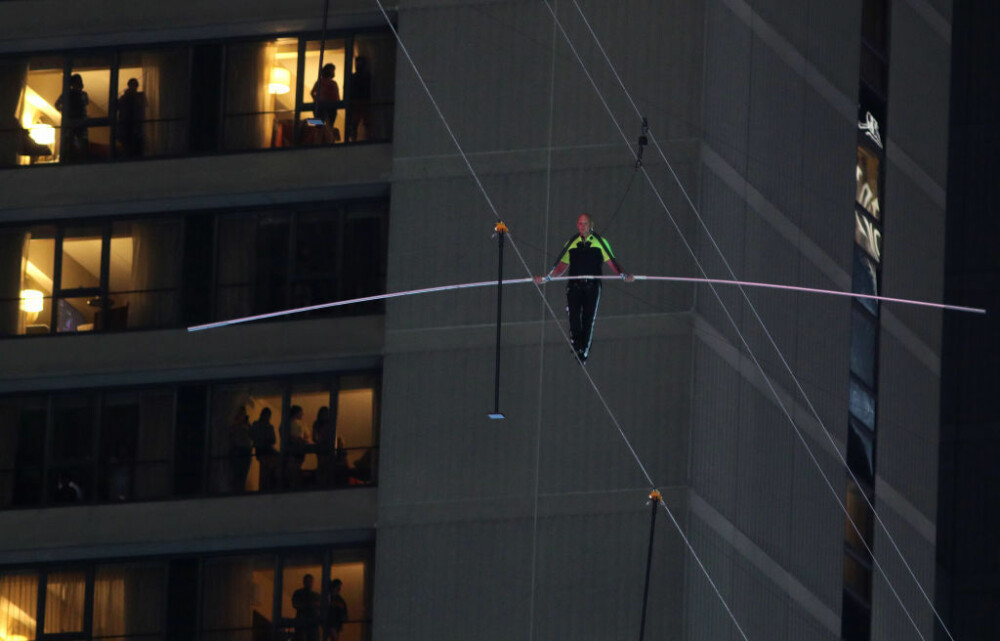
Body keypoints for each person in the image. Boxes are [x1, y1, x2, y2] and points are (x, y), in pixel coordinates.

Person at [534, 213, 633, 363]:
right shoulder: (571, 242)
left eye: (585, 223)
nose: (582, 226)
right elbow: (561, 267)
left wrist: (624, 275)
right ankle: (577, 344)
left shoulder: (601, 242)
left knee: (588, 319)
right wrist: (546, 278)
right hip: (574, 286)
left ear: (591, 225)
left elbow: (612, 262)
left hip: (592, 286)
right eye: (580, 223)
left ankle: (583, 351)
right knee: (573, 315)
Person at [54, 73, 89, 162]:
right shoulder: (67, 94)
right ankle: (69, 159)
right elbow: (57, 104)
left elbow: (85, 103)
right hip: (71, 122)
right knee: (69, 142)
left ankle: (81, 159)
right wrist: (64, 111)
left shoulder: (82, 94)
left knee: (81, 142)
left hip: (80, 122)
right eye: (76, 82)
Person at [250, 407, 278, 491]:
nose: (267, 417)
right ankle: (264, 488)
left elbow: (273, 440)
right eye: (267, 415)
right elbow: (252, 436)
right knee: (265, 471)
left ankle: (267, 486)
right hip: (262, 451)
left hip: (267, 451)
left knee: (268, 470)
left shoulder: (269, 427)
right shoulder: (257, 425)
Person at [116, 78, 146, 157]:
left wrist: (134, 96)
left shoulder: (140, 96)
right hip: (125, 128)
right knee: (127, 149)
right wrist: (125, 96)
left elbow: (143, 105)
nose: (132, 87)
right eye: (131, 85)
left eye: (134, 85)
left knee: (137, 150)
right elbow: (117, 106)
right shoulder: (124, 98)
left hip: (137, 128)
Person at [311, 63, 341, 137]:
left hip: (330, 106)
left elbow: (337, 95)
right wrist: (316, 101)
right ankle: (320, 140)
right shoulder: (321, 82)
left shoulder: (331, 83)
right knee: (320, 126)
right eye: (332, 70)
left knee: (327, 126)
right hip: (323, 106)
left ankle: (326, 140)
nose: (333, 72)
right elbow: (312, 93)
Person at [346, 56, 371, 142]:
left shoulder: (356, 77)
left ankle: (355, 140)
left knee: (358, 123)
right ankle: (357, 140)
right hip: (359, 102)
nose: (358, 65)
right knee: (356, 123)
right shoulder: (365, 76)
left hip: (360, 102)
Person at [228, 406, 253, 492]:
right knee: (237, 473)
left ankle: (240, 489)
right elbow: (230, 433)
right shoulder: (234, 424)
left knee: (243, 474)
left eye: (243, 413)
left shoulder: (247, 424)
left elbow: (252, 435)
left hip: (246, 450)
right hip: (238, 450)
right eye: (241, 413)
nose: (243, 415)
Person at [291, 574, 322, 641]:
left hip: (312, 624)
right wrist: (311, 604)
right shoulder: (299, 593)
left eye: (310, 581)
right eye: (307, 581)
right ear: (304, 582)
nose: (308, 583)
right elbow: (295, 604)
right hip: (303, 623)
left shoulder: (316, 595)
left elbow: (321, 607)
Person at [285, 405, 309, 487]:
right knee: (293, 470)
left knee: (294, 469)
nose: (302, 414)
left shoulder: (297, 423)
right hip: (295, 449)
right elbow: (295, 437)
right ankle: (292, 485)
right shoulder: (294, 423)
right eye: (301, 413)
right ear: (296, 413)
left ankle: (293, 484)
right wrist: (303, 441)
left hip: (298, 450)